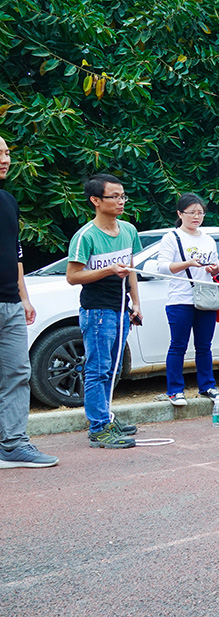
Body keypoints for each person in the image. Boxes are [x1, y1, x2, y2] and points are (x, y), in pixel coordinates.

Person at [66, 173, 142, 448]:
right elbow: (73, 276)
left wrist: (137, 304)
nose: (121, 201)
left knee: (113, 369)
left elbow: (132, 270)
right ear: (96, 201)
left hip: (122, 309)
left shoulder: (129, 230)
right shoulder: (86, 236)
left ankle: (106, 417)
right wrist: (108, 270)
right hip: (98, 311)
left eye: (123, 196)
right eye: (115, 197)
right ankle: (98, 428)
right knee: (98, 369)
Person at [0, 137, 58, 467]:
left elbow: (15, 253)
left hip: (10, 304)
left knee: (17, 373)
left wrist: (24, 297)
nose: (5, 159)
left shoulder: (8, 200)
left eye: (7, 152)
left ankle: (13, 444)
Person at [156, 193, 219, 407]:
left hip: (206, 297)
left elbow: (218, 268)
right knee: (178, 345)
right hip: (180, 299)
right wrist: (188, 263)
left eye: (200, 212)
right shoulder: (172, 237)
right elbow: (162, 267)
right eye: (191, 212)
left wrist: (215, 269)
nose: (196, 217)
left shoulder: (208, 239)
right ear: (180, 214)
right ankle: (175, 390)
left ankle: (208, 386)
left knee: (204, 346)